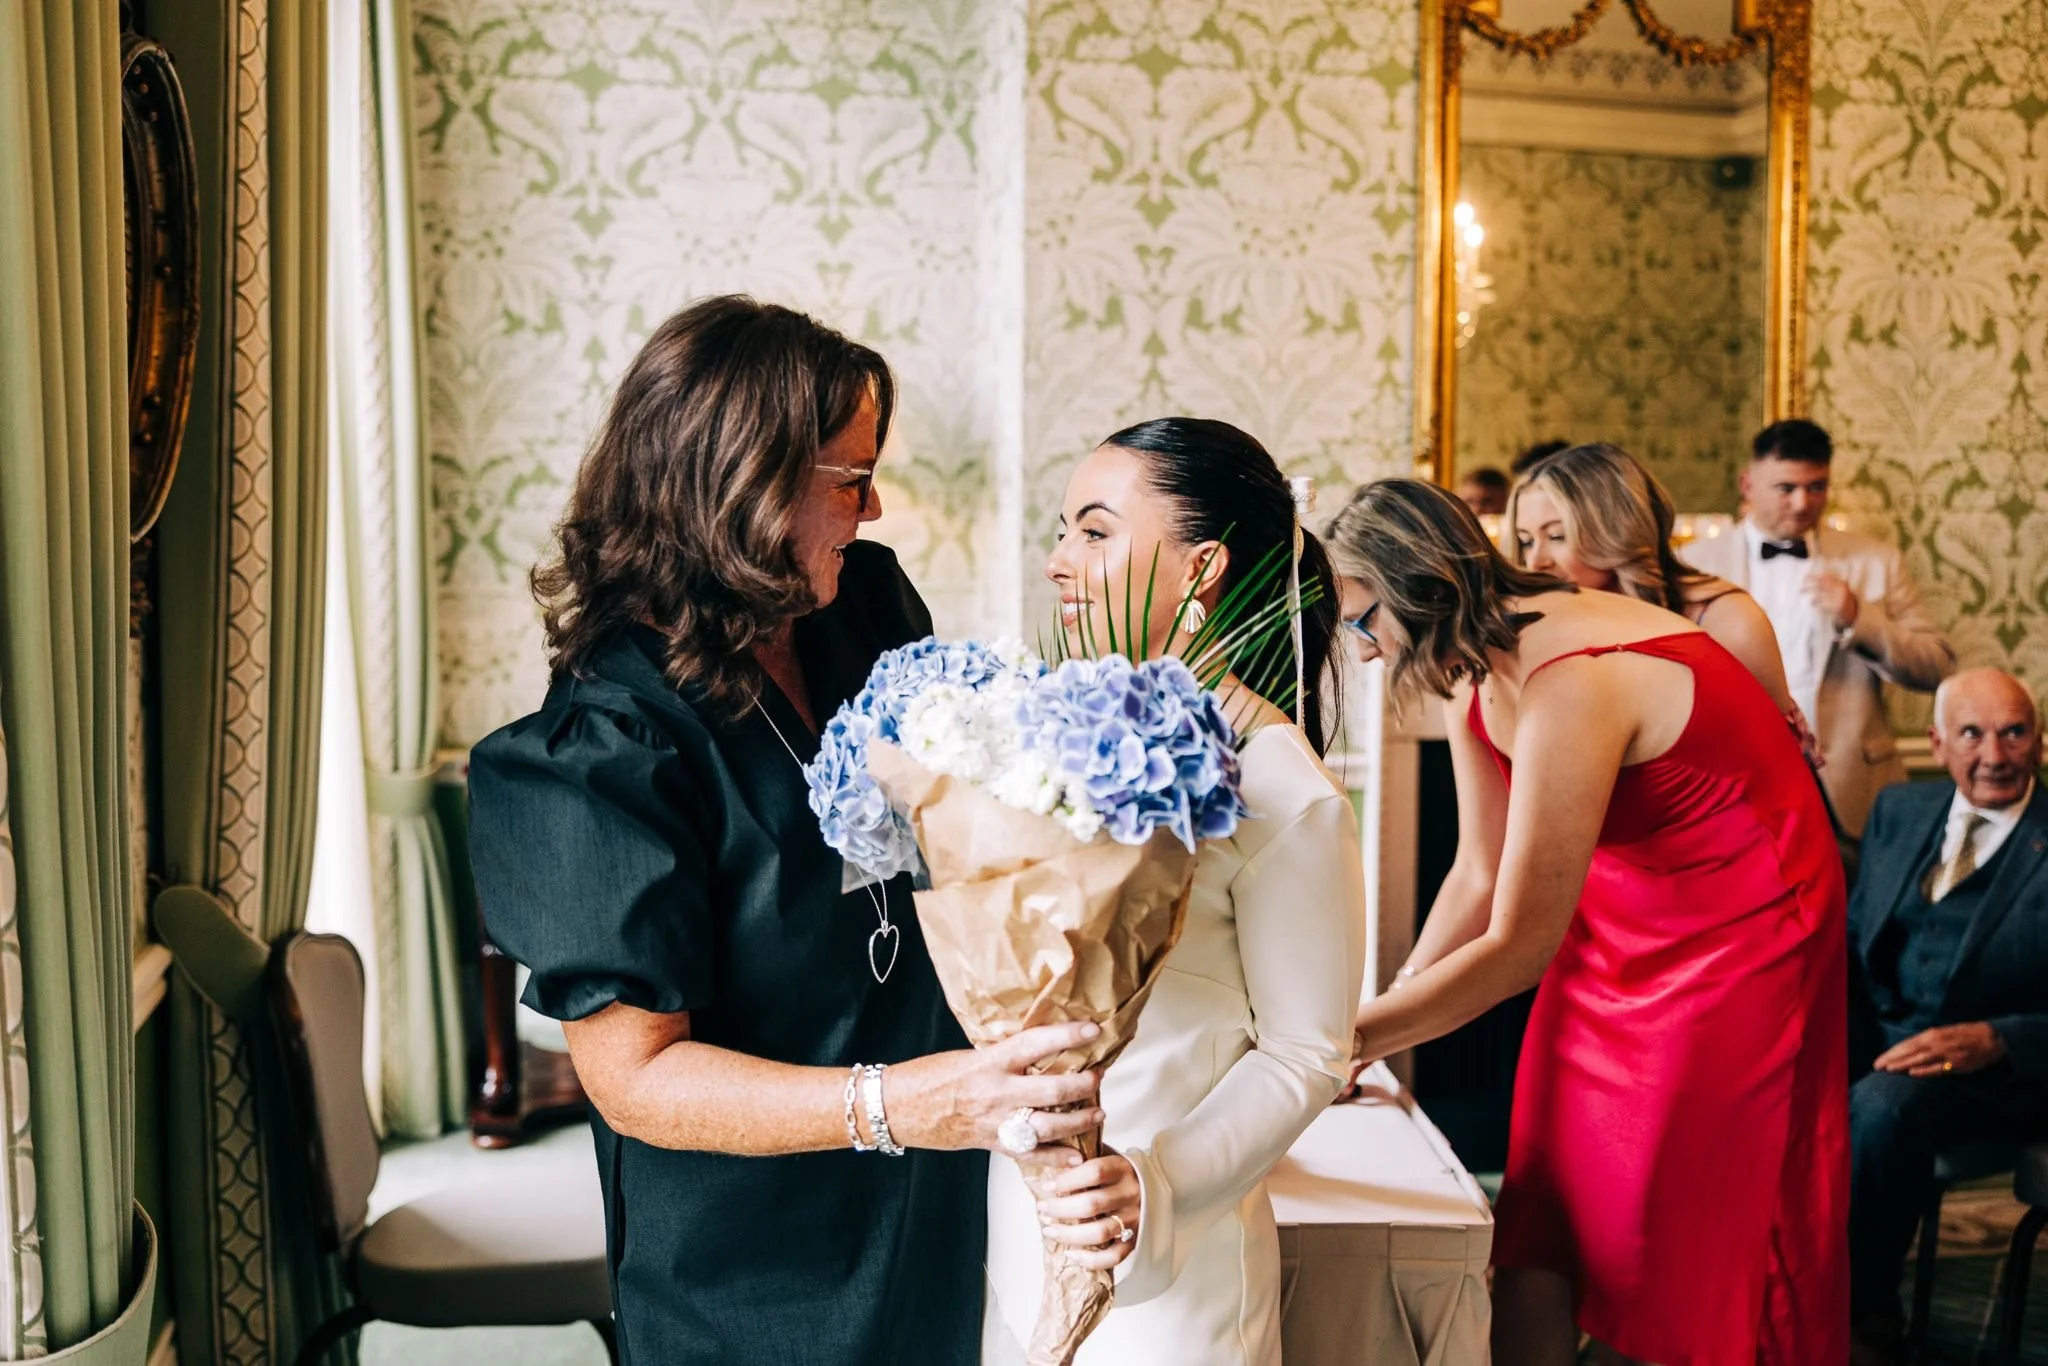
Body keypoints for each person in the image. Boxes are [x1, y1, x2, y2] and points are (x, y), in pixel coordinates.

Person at [466, 296, 1104, 1366]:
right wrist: (903, 1101)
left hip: (929, 1193)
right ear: (744, 488)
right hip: (749, 1260)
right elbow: (637, 1077)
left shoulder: (862, 610)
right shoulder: (599, 750)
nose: (872, 506)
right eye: (848, 481)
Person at [1328, 478, 1849, 1366]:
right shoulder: (1470, 666)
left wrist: (1333, 1046)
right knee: (1547, 1200)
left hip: (1747, 932)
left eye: (1359, 620)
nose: (1364, 651)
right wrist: (1378, 1020)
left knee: (1689, 1213)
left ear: (1411, 584)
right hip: (1622, 921)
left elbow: (1520, 945)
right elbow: (1479, 871)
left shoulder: (1573, 675)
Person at [983, 418, 1368, 1366]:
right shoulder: (1049, 746)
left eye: (1095, 532)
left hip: (1168, 1266)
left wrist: (1150, 1187)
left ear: (1202, 571)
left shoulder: (1280, 785)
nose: (1058, 564)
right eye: (1065, 530)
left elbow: (1307, 1053)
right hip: (1020, 1221)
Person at [1845, 668, 2048, 1365]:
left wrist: (1999, 1039)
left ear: (2040, 742)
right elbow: (1848, 945)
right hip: (1883, 1034)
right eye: (1972, 733)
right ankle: (1748, 1296)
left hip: (2003, 1073)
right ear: (1936, 742)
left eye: (2014, 732)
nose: (1994, 754)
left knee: (1879, 1109)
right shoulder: (1898, 811)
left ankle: (1861, 1313)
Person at [1686, 419, 1955, 836]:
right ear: (1748, 485)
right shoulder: (1697, 566)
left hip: (1849, 786)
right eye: (1786, 488)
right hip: (1732, 785)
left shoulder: (1874, 561)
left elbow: (1935, 666)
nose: (1801, 503)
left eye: (1816, 487)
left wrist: (1857, 618)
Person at [1506, 442, 1820, 763]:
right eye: (1526, 540)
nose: (1535, 561)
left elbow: (1778, 768)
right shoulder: (1550, 627)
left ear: (1616, 529)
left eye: (1557, 536)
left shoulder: (1729, 622)